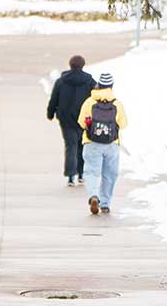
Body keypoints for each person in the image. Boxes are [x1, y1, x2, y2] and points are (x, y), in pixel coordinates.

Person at [78, 72, 127, 215]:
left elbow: (81, 122)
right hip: (111, 144)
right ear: (111, 86)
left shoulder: (89, 102)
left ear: (98, 85)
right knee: (109, 174)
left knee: (92, 172)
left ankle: (94, 196)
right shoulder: (117, 104)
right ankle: (105, 203)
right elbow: (123, 124)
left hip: (91, 142)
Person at [46, 55, 96, 186]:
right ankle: (81, 174)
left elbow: (54, 99)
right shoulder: (90, 81)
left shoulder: (61, 81)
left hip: (66, 119)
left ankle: (70, 177)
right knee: (82, 146)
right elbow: (95, 100)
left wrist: (50, 113)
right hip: (84, 120)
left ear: (70, 65)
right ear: (83, 65)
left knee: (70, 146)